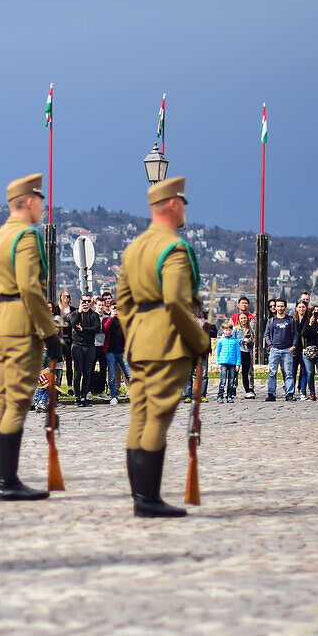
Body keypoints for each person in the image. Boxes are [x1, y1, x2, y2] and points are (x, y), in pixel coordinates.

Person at [116, 177, 209, 518]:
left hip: (140, 342)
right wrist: (199, 339)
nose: (185, 208)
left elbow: (123, 303)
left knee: (138, 417)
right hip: (168, 343)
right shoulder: (174, 248)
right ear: (172, 204)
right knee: (157, 417)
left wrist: (138, 331)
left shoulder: (134, 248)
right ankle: (149, 500)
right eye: (183, 202)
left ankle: (141, 496)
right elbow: (174, 301)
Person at [0, 172, 62, 503]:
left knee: (1, 401)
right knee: (16, 402)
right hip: (22, 324)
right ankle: (8, 481)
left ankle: (0, 479)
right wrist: (48, 332)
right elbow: (31, 288)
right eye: (41, 201)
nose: (43, 207)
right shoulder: (26, 237)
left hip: (2, 323)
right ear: (30, 201)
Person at [67, 293, 101, 406]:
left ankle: (83, 397)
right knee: (78, 372)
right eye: (84, 301)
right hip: (77, 345)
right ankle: (77, 397)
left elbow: (96, 328)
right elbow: (73, 324)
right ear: (80, 302)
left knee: (87, 372)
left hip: (90, 346)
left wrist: (83, 329)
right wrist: (79, 312)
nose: (86, 303)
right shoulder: (75, 314)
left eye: (88, 301)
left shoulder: (94, 315)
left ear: (90, 302)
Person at [264, 298, 297, 401]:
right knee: (272, 372)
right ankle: (271, 394)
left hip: (287, 350)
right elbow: (267, 334)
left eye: (282, 306)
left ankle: (289, 393)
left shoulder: (290, 320)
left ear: (285, 307)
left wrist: (293, 346)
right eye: (278, 306)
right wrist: (270, 346)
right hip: (275, 350)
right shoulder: (271, 321)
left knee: (288, 373)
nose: (280, 308)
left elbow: (295, 334)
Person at [299, 305, 318, 400]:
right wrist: (310, 324)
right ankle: (312, 393)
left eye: (317, 312)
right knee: (310, 372)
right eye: (314, 312)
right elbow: (304, 334)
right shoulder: (307, 323)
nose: (315, 313)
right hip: (309, 351)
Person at [103, 302, 128, 405]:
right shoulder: (107, 319)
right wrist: (111, 317)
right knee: (112, 375)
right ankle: (113, 396)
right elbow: (105, 328)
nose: (116, 311)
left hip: (122, 351)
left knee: (129, 373)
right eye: (114, 309)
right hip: (110, 352)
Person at [215, 321, 240, 403]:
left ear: (232, 330)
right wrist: (219, 363)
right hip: (223, 363)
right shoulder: (221, 340)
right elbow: (218, 352)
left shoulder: (235, 341)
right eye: (226, 330)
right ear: (223, 330)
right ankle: (220, 395)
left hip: (232, 363)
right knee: (223, 381)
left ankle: (229, 396)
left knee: (231, 381)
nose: (228, 332)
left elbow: (238, 353)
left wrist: (238, 364)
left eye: (229, 330)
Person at [234, 312, 256, 398]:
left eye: (245, 318)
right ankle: (232, 389)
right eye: (241, 318)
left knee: (246, 372)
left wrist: (250, 342)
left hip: (247, 351)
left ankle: (247, 390)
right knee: (235, 371)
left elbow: (253, 342)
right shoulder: (236, 329)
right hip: (238, 351)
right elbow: (233, 340)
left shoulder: (250, 330)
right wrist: (242, 340)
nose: (243, 320)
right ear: (239, 320)